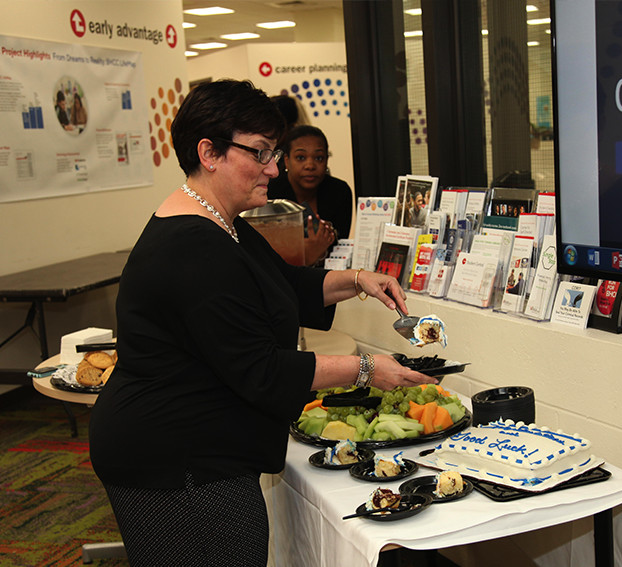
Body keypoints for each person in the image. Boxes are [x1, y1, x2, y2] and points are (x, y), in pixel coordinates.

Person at [88, 79, 435, 567]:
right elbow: (261, 370)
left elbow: (287, 286)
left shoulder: (222, 222)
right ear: (209, 152)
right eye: (262, 153)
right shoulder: (193, 246)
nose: (275, 168)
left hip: (191, 447)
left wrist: (359, 279)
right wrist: (366, 370)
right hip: (178, 463)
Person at [267, 125, 352, 266]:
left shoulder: (339, 192)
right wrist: (307, 253)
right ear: (287, 160)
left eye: (319, 158)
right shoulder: (271, 192)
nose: (310, 165)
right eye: (301, 157)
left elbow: (339, 248)